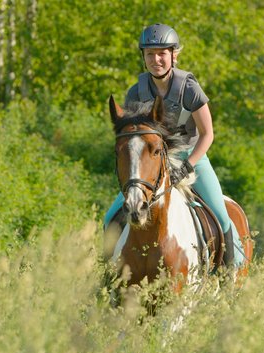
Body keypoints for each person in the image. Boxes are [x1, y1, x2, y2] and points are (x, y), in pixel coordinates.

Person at [103, 23, 244, 267]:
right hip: (152, 160)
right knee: (110, 218)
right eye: (150, 54)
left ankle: (229, 274)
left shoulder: (189, 88)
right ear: (143, 57)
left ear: (173, 55)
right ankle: (108, 279)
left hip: (191, 156)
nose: (156, 59)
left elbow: (207, 133)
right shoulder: (136, 92)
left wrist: (187, 166)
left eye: (162, 53)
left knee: (222, 217)